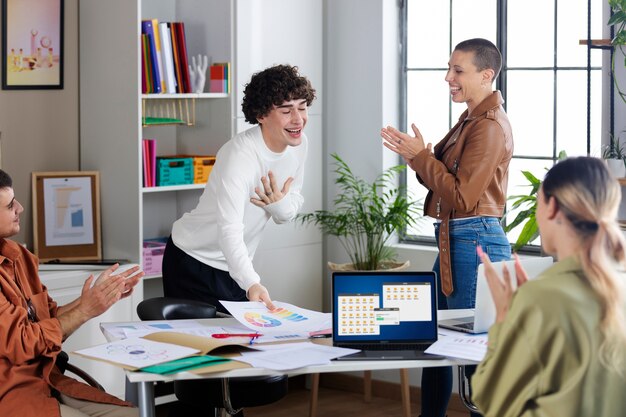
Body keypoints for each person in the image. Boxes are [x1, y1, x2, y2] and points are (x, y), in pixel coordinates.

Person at [380, 38, 513, 417]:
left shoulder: (488, 127)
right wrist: (417, 156)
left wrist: (421, 157)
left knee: (473, 357)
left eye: (458, 71)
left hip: (474, 240)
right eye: (449, 69)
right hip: (457, 241)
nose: (448, 78)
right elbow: (442, 183)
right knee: (434, 343)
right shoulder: (469, 120)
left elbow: (462, 197)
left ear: (486, 76)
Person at [473, 157, 626, 416]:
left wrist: (503, 319)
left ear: (552, 207)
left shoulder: (541, 299)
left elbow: (490, 400)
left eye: (537, 203)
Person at [162, 64, 316, 313]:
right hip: (193, 260)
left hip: (235, 264)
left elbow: (289, 210)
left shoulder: (300, 145)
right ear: (261, 115)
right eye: (287, 111)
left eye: (302, 107)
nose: (298, 119)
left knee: (242, 343)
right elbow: (229, 228)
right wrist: (251, 282)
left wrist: (278, 204)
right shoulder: (239, 156)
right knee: (202, 346)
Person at [0, 169, 144, 417]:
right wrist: (86, 309)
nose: (20, 208)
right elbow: (22, 342)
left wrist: (95, 300)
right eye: (10, 205)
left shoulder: (20, 257)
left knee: (134, 414)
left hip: (48, 380)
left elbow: (49, 319)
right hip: (13, 396)